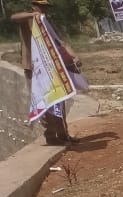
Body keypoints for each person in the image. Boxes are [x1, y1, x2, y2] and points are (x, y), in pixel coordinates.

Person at [10, 0, 80, 145]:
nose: (43, 9)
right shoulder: (28, 19)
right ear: (33, 6)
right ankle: (51, 136)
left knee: (58, 101)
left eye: (45, 7)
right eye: (40, 6)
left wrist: (73, 57)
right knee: (43, 101)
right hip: (34, 69)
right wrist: (32, 15)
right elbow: (14, 17)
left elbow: (61, 42)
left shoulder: (47, 22)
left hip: (52, 67)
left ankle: (62, 134)